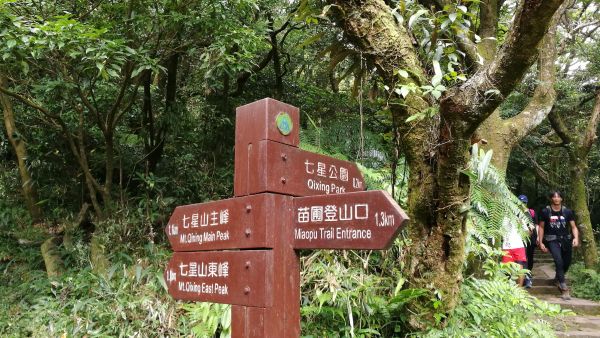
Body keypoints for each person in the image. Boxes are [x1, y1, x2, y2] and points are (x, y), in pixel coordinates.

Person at [538, 191, 579, 300]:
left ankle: (558, 277)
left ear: (561, 199)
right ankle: (563, 286)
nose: (556, 198)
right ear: (551, 199)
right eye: (554, 197)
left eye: (558, 196)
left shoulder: (567, 212)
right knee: (558, 261)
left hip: (566, 239)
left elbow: (573, 227)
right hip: (552, 239)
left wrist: (576, 238)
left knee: (567, 262)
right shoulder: (545, 211)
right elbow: (541, 227)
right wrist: (541, 241)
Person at [501, 206, 530, 287]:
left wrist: (524, 226)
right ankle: (508, 289)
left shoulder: (520, 219)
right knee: (506, 269)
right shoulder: (501, 218)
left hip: (519, 246)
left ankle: (519, 289)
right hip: (506, 246)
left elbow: (527, 234)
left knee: (520, 268)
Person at [519, 195, 537, 288]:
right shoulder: (515, 212)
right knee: (523, 258)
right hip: (520, 239)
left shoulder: (531, 212)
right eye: (521, 202)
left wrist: (537, 238)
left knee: (529, 258)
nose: (523, 204)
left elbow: (534, 225)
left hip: (530, 239)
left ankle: (528, 274)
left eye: (524, 202)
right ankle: (526, 277)